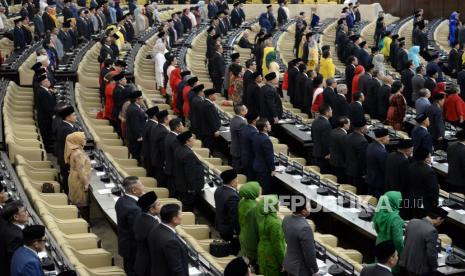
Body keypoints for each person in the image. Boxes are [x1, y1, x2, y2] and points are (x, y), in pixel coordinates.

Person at [399, 207, 448, 275]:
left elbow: (405, 242)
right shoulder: (432, 231)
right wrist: (434, 268)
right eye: (441, 221)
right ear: (439, 218)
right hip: (418, 269)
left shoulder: (412, 221)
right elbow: (431, 254)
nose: (440, 223)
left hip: (404, 264)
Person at [148, 204, 189, 276]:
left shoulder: (156, 228)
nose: (182, 216)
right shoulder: (171, 242)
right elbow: (176, 269)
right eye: (180, 214)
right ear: (174, 219)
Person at [115, 176, 144, 276]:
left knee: (128, 268)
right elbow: (138, 231)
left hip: (125, 245)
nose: (143, 187)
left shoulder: (121, 200)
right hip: (134, 249)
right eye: (141, 185)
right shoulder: (134, 209)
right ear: (134, 190)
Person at [282, 197, 319, 276]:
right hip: (300, 270)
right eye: (309, 206)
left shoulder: (286, 219)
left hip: (289, 263)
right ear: (303, 211)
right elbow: (309, 253)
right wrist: (315, 270)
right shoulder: (305, 228)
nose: (310, 208)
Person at [174, 131, 205, 211]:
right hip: (188, 188)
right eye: (192, 139)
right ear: (187, 141)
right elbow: (190, 173)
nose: (194, 140)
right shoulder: (188, 154)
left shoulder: (178, 149)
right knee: (189, 207)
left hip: (181, 184)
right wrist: (192, 189)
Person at [256, 195, 285, 276]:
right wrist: (283, 262)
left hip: (262, 249)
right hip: (271, 254)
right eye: (277, 202)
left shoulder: (261, 216)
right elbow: (277, 245)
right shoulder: (275, 223)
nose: (279, 203)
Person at [133, 191, 161, 276]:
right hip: (150, 265)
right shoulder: (153, 226)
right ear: (151, 209)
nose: (161, 206)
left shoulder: (140, 216)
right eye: (159, 204)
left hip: (141, 261)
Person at [65, 132, 91, 221]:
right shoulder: (78, 154)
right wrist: (86, 184)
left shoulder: (75, 150)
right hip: (79, 181)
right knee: (82, 203)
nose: (85, 140)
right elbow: (81, 171)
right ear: (77, 140)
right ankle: (84, 222)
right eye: (83, 138)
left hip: (74, 177)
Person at [406, 148, 439, 219]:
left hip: (412, 199)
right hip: (424, 203)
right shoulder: (429, 171)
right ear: (426, 158)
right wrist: (435, 203)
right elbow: (433, 189)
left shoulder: (411, 166)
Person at [372, 191, 404, 261]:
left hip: (379, 243)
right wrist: (403, 254)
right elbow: (398, 241)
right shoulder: (395, 218)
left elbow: (377, 228)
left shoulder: (379, 211)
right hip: (390, 251)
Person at [215, 169, 241, 254]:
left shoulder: (219, 190)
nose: (238, 181)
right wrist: (238, 232)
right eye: (236, 179)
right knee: (233, 251)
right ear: (232, 182)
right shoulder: (232, 196)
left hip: (220, 226)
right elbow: (234, 217)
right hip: (229, 231)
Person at [0, 201, 29, 276]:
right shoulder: (16, 237)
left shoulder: (7, 227)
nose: (27, 213)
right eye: (24, 211)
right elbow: (15, 263)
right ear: (16, 217)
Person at [55, 105, 78, 194]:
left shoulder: (67, 126)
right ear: (68, 117)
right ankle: (69, 196)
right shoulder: (66, 129)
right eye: (74, 115)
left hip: (65, 157)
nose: (76, 117)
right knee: (68, 179)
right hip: (66, 159)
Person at [238, 181, 261, 264]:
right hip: (252, 239)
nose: (260, 190)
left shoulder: (242, 202)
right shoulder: (254, 208)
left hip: (243, 234)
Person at [345, 118, 368, 193]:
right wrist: (364, 173)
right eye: (366, 126)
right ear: (361, 129)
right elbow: (362, 159)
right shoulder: (363, 141)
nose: (367, 127)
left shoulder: (348, 136)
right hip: (358, 174)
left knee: (350, 191)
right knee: (359, 193)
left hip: (348, 169)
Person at [253, 119, 275, 195]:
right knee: (265, 190)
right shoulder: (266, 140)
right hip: (264, 169)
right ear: (265, 128)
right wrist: (272, 169)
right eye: (268, 124)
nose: (270, 125)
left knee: (259, 188)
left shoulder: (256, 135)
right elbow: (269, 156)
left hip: (257, 165)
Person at [36, 75, 57, 153]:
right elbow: (48, 106)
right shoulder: (42, 92)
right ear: (42, 83)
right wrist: (54, 115)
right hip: (45, 118)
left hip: (46, 117)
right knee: (47, 134)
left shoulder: (45, 90)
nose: (49, 82)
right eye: (47, 81)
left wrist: (53, 94)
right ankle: (48, 149)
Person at [366, 128, 389, 198]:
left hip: (370, 179)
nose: (389, 139)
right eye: (388, 137)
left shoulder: (370, 146)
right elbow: (385, 169)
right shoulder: (382, 152)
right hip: (379, 183)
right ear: (383, 138)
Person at [163, 118, 184, 197]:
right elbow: (178, 156)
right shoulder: (175, 140)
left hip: (170, 167)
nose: (183, 127)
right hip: (174, 170)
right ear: (177, 128)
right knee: (174, 192)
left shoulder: (170, 135)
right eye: (182, 125)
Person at [311, 104, 333, 174]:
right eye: (331, 110)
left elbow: (312, 136)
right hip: (324, 155)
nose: (332, 111)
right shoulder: (326, 124)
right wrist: (328, 153)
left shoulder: (315, 121)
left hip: (316, 151)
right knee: (324, 173)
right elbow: (326, 141)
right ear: (326, 112)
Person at [126, 91, 146, 162]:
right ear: (136, 100)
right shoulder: (134, 109)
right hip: (135, 138)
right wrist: (139, 136)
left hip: (134, 136)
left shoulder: (134, 107)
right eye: (141, 98)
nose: (142, 100)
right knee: (136, 155)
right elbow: (135, 125)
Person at [199, 88, 221, 153]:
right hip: (209, 132)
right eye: (214, 94)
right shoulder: (209, 105)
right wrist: (215, 130)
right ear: (210, 96)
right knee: (209, 149)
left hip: (206, 130)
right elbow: (211, 119)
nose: (216, 96)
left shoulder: (205, 103)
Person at [330, 116, 350, 183]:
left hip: (333, 160)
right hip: (340, 163)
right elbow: (345, 150)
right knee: (340, 181)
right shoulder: (343, 136)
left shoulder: (333, 131)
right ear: (344, 124)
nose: (350, 124)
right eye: (349, 123)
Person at [241, 112, 259, 180]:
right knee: (251, 178)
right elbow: (255, 147)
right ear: (254, 121)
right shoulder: (254, 132)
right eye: (258, 119)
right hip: (251, 160)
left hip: (245, 157)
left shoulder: (245, 128)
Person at [141, 106, 159, 175]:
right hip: (150, 154)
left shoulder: (148, 123)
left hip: (146, 152)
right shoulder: (154, 126)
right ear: (154, 116)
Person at [230, 104, 247, 172]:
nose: (247, 109)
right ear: (241, 112)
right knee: (239, 170)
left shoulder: (234, 119)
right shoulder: (241, 123)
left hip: (234, 149)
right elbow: (244, 138)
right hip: (239, 151)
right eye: (246, 109)